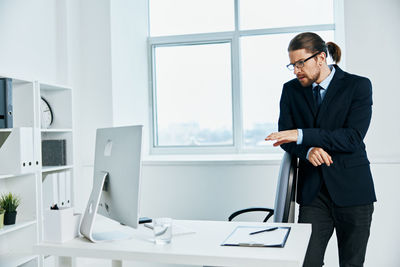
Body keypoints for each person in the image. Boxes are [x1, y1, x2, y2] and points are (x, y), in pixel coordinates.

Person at [265, 32, 376, 267]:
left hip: (353, 191)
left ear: (321, 58)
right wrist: (306, 150)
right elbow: (286, 138)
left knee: (352, 264)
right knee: (307, 262)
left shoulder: (358, 86)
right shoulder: (291, 90)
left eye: (300, 63)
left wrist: (302, 134)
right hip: (314, 193)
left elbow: (352, 138)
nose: (296, 70)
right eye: (292, 65)